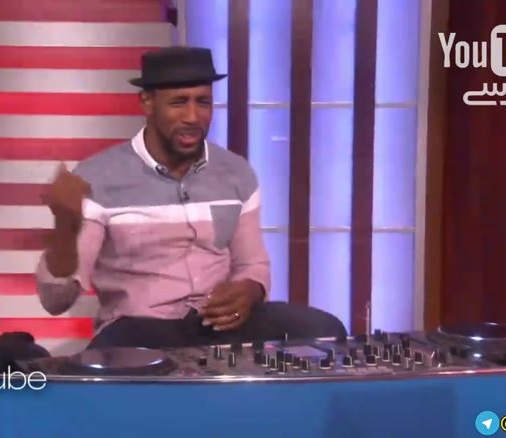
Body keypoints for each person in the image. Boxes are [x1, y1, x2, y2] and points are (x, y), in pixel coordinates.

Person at [35, 46, 346, 349]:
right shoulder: (98, 178)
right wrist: (65, 225)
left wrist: (249, 291)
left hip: (217, 322)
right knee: (120, 350)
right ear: (147, 103)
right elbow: (56, 301)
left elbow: (253, 263)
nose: (193, 117)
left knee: (324, 331)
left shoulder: (236, 173)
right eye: (179, 103)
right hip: (141, 325)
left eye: (203, 102)